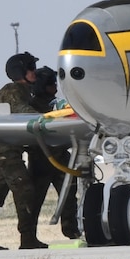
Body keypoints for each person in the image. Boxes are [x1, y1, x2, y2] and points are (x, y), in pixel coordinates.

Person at [0, 52, 45, 251]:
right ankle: (27, 238)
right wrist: (48, 117)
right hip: (6, 151)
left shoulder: (25, 91)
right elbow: (22, 111)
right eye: (31, 69)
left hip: (9, 150)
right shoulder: (13, 90)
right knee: (25, 190)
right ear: (21, 72)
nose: (35, 73)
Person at [27, 65, 80, 236]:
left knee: (69, 194)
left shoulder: (58, 105)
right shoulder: (34, 107)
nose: (55, 87)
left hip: (60, 158)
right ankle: (29, 235)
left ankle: (70, 230)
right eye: (51, 83)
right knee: (35, 200)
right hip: (42, 159)